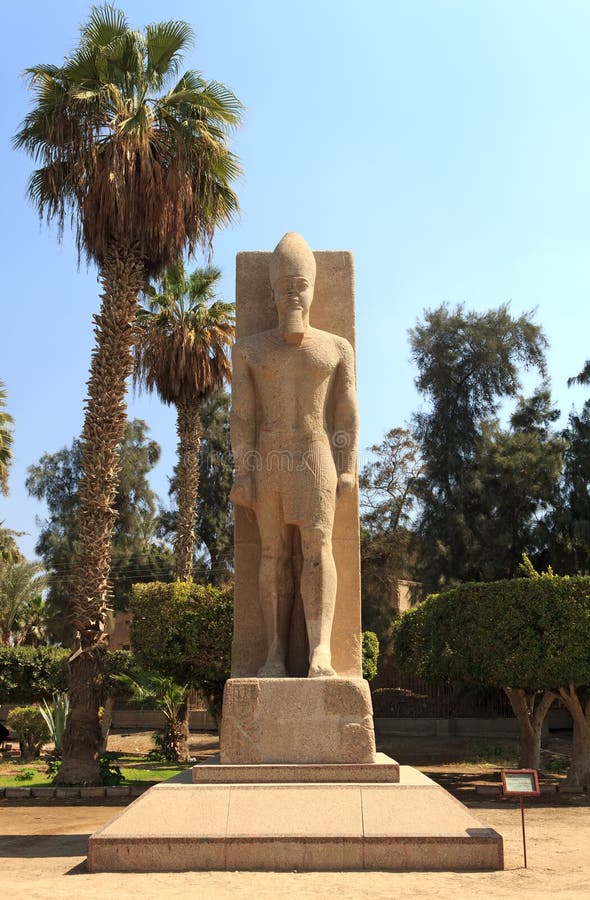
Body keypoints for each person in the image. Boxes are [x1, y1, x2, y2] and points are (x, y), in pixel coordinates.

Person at [230, 233, 359, 678]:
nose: (292, 293)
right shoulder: (249, 349)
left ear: (313, 288)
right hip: (269, 460)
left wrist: (348, 467)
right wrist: (243, 474)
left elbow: (345, 414)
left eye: (299, 284)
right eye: (284, 285)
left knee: (318, 548)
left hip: (314, 455)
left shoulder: (335, 347)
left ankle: (320, 650)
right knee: (271, 553)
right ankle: (274, 653)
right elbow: (242, 417)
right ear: (271, 291)